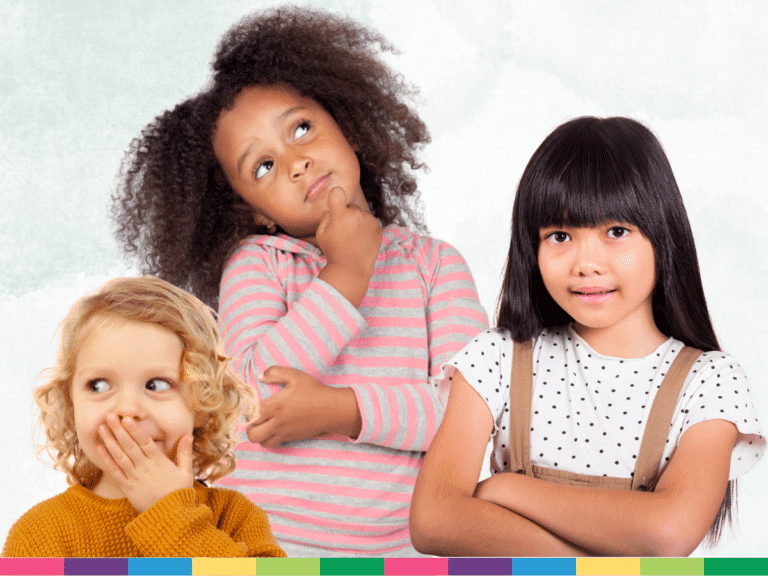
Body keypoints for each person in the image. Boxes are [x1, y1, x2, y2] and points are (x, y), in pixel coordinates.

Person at [110, 6, 488, 556]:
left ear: (348, 126)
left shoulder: (435, 266)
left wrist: (343, 409)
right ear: (255, 211)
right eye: (263, 166)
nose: (295, 162)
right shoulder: (260, 264)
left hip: (403, 555)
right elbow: (250, 398)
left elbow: (469, 419)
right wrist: (347, 274)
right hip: (264, 547)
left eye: (302, 128)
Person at [410, 116, 765, 557]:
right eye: (560, 235)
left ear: (663, 234)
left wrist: (505, 489)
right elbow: (433, 521)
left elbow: (668, 532)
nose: (587, 263)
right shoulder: (497, 356)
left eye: (616, 232)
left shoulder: (709, 380)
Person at [2, 277, 285, 558]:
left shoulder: (234, 517)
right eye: (99, 385)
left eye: (157, 384)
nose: (128, 408)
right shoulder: (39, 536)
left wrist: (169, 513)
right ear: (70, 404)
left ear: (204, 403)